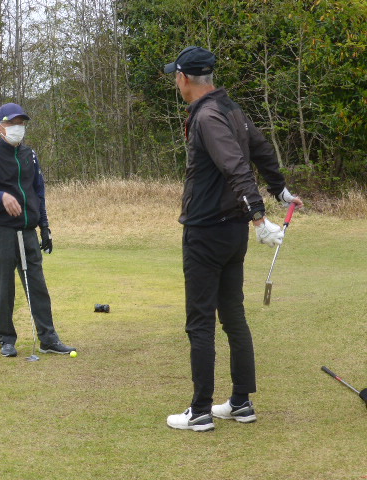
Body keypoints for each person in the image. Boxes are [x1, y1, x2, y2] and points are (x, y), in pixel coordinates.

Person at [162, 47, 304, 431]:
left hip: (206, 232)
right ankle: (241, 402)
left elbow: (236, 165)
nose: (176, 81)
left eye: (176, 75)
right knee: (233, 315)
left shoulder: (207, 116)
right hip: (231, 233)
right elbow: (261, 150)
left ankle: (200, 411)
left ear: (184, 78)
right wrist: (280, 190)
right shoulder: (230, 109)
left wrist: (260, 216)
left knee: (200, 322)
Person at [0, 103, 75, 357]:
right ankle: (6, 339)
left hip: (28, 230)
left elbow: (38, 192)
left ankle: (48, 338)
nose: (17, 128)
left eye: (21, 123)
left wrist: (44, 226)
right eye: (11, 123)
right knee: (4, 287)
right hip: (1, 231)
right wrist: (1, 196)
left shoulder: (30, 155)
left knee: (37, 286)